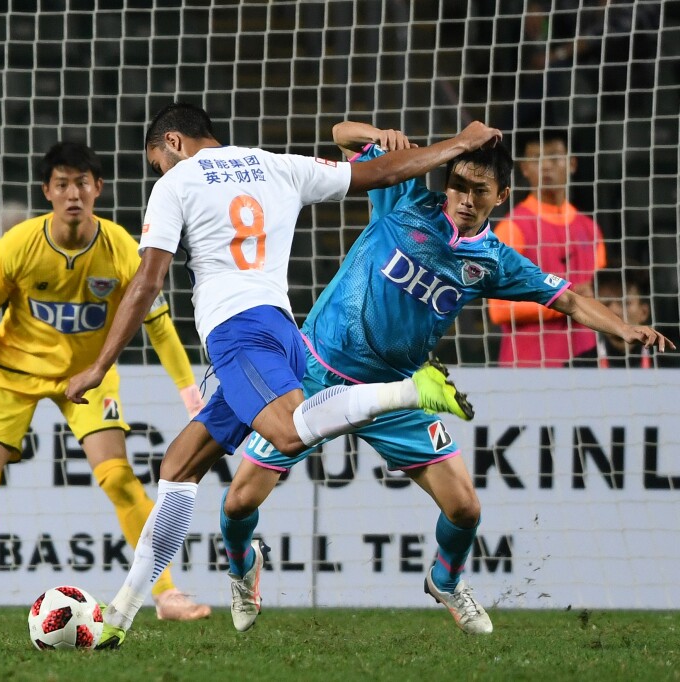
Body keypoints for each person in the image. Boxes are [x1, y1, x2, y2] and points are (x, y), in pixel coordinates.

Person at [65, 103, 507, 649]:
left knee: (289, 433)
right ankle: (120, 615)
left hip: (238, 335)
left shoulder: (176, 182)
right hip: (284, 335)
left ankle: (408, 391)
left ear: (173, 142)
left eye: (159, 161)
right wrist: (456, 144)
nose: (162, 170)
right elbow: (380, 172)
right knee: (178, 467)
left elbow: (147, 281)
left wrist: (99, 365)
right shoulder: (276, 164)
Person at [213, 122, 672, 640]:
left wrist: (624, 328)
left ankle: (445, 580)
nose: (466, 200)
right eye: (458, 185)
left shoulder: (492, 260)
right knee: (238, 502)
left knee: (465, 509)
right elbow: (341, 133)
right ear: (445, 180)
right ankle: (243, 568)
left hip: (397, 392)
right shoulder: (404, 194)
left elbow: (566, 298)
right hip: (316, 373)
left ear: (501, 195)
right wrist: (381, 134)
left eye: (480, 191)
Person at [0, 141, 211, 624]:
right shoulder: (16, 246)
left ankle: (166, 595)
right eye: (63, 184)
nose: (73, 194)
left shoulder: (123, 249)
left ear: (98, 188)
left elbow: (158, 324)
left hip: (88, 377)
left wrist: (190, 394)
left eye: (82, 184)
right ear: (47, 191)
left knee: (120, 480)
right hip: (13, 373)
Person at [488, 129, 606, 367]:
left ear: (572, 163)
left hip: (589, 367)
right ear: (524, 168)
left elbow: (603, 296)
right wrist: (567, 301)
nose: (546, 166)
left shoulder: (590, 229)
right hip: (529, 368)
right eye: (536, 158)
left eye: (554, 156)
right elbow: (499, 309)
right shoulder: (512, 227)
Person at [570, 266, 657, 368]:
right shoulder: (578, 368)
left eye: (624, 302)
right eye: (606, 304)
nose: (614, 311)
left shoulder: (668, 364)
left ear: (644, 312)